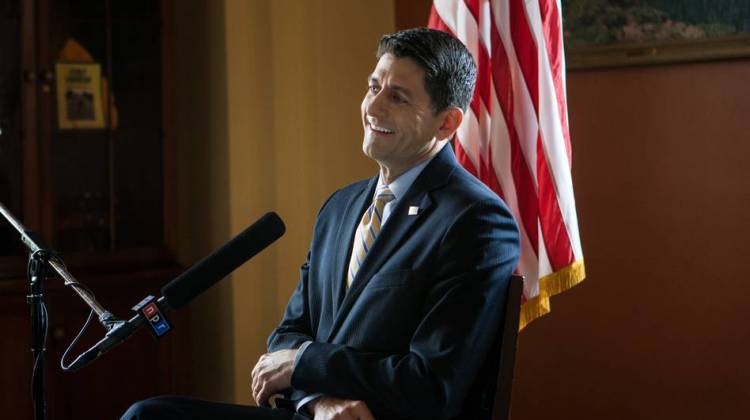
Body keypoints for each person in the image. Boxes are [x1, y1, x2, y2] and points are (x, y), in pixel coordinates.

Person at [122, 27, 519, 420]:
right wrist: (315, 400)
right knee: (150, 415)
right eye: (373, 87)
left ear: (447, 124)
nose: (373, 107)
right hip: (312, 413)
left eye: (397, 97)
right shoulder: (339, 207)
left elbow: (430, 385)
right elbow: (288, 336)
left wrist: (304, 364)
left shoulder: (476, 221)